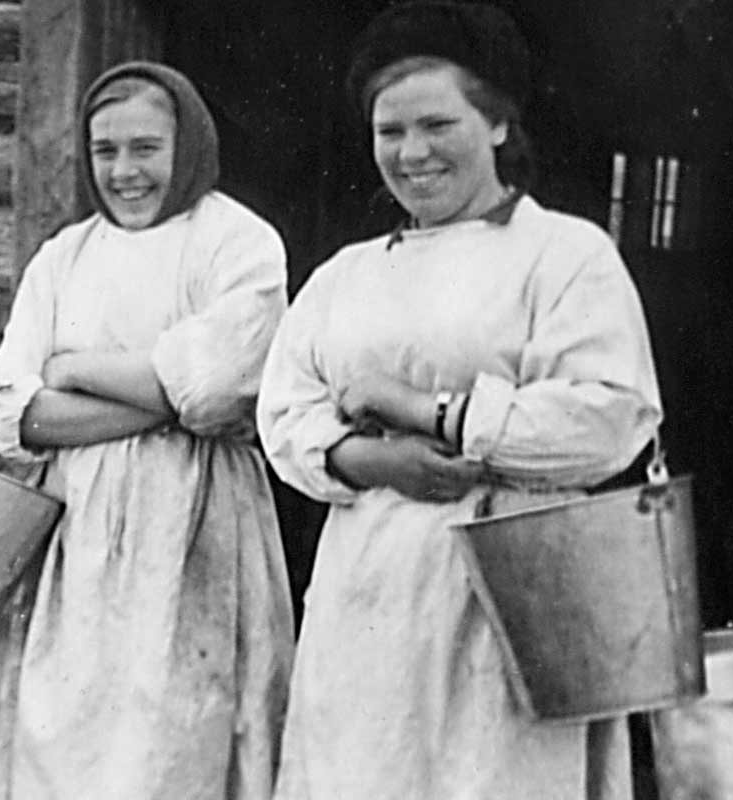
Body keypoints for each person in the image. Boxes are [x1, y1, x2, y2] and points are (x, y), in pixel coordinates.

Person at [255, 3, 663, 798]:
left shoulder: (566, 255)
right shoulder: (346, 275)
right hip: (370, 590)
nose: (412, 154)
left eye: (439, 124)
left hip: (519, 597)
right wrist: (365, 456)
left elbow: (609, 418)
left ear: (500, 124)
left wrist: (428, 411)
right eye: (390, 131)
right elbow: (283, 411)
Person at [0, 61, 294, 799]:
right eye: (105, 151)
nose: (124, 171)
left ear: (188, 145)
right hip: (75, 532)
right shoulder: (64, 256)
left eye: (145, 148)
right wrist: (158, 395)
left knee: (176, 733)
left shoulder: (239, 244)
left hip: (195, 524)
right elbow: (11, 410)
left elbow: (212, 385)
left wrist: (73, 365)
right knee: (68, 725)